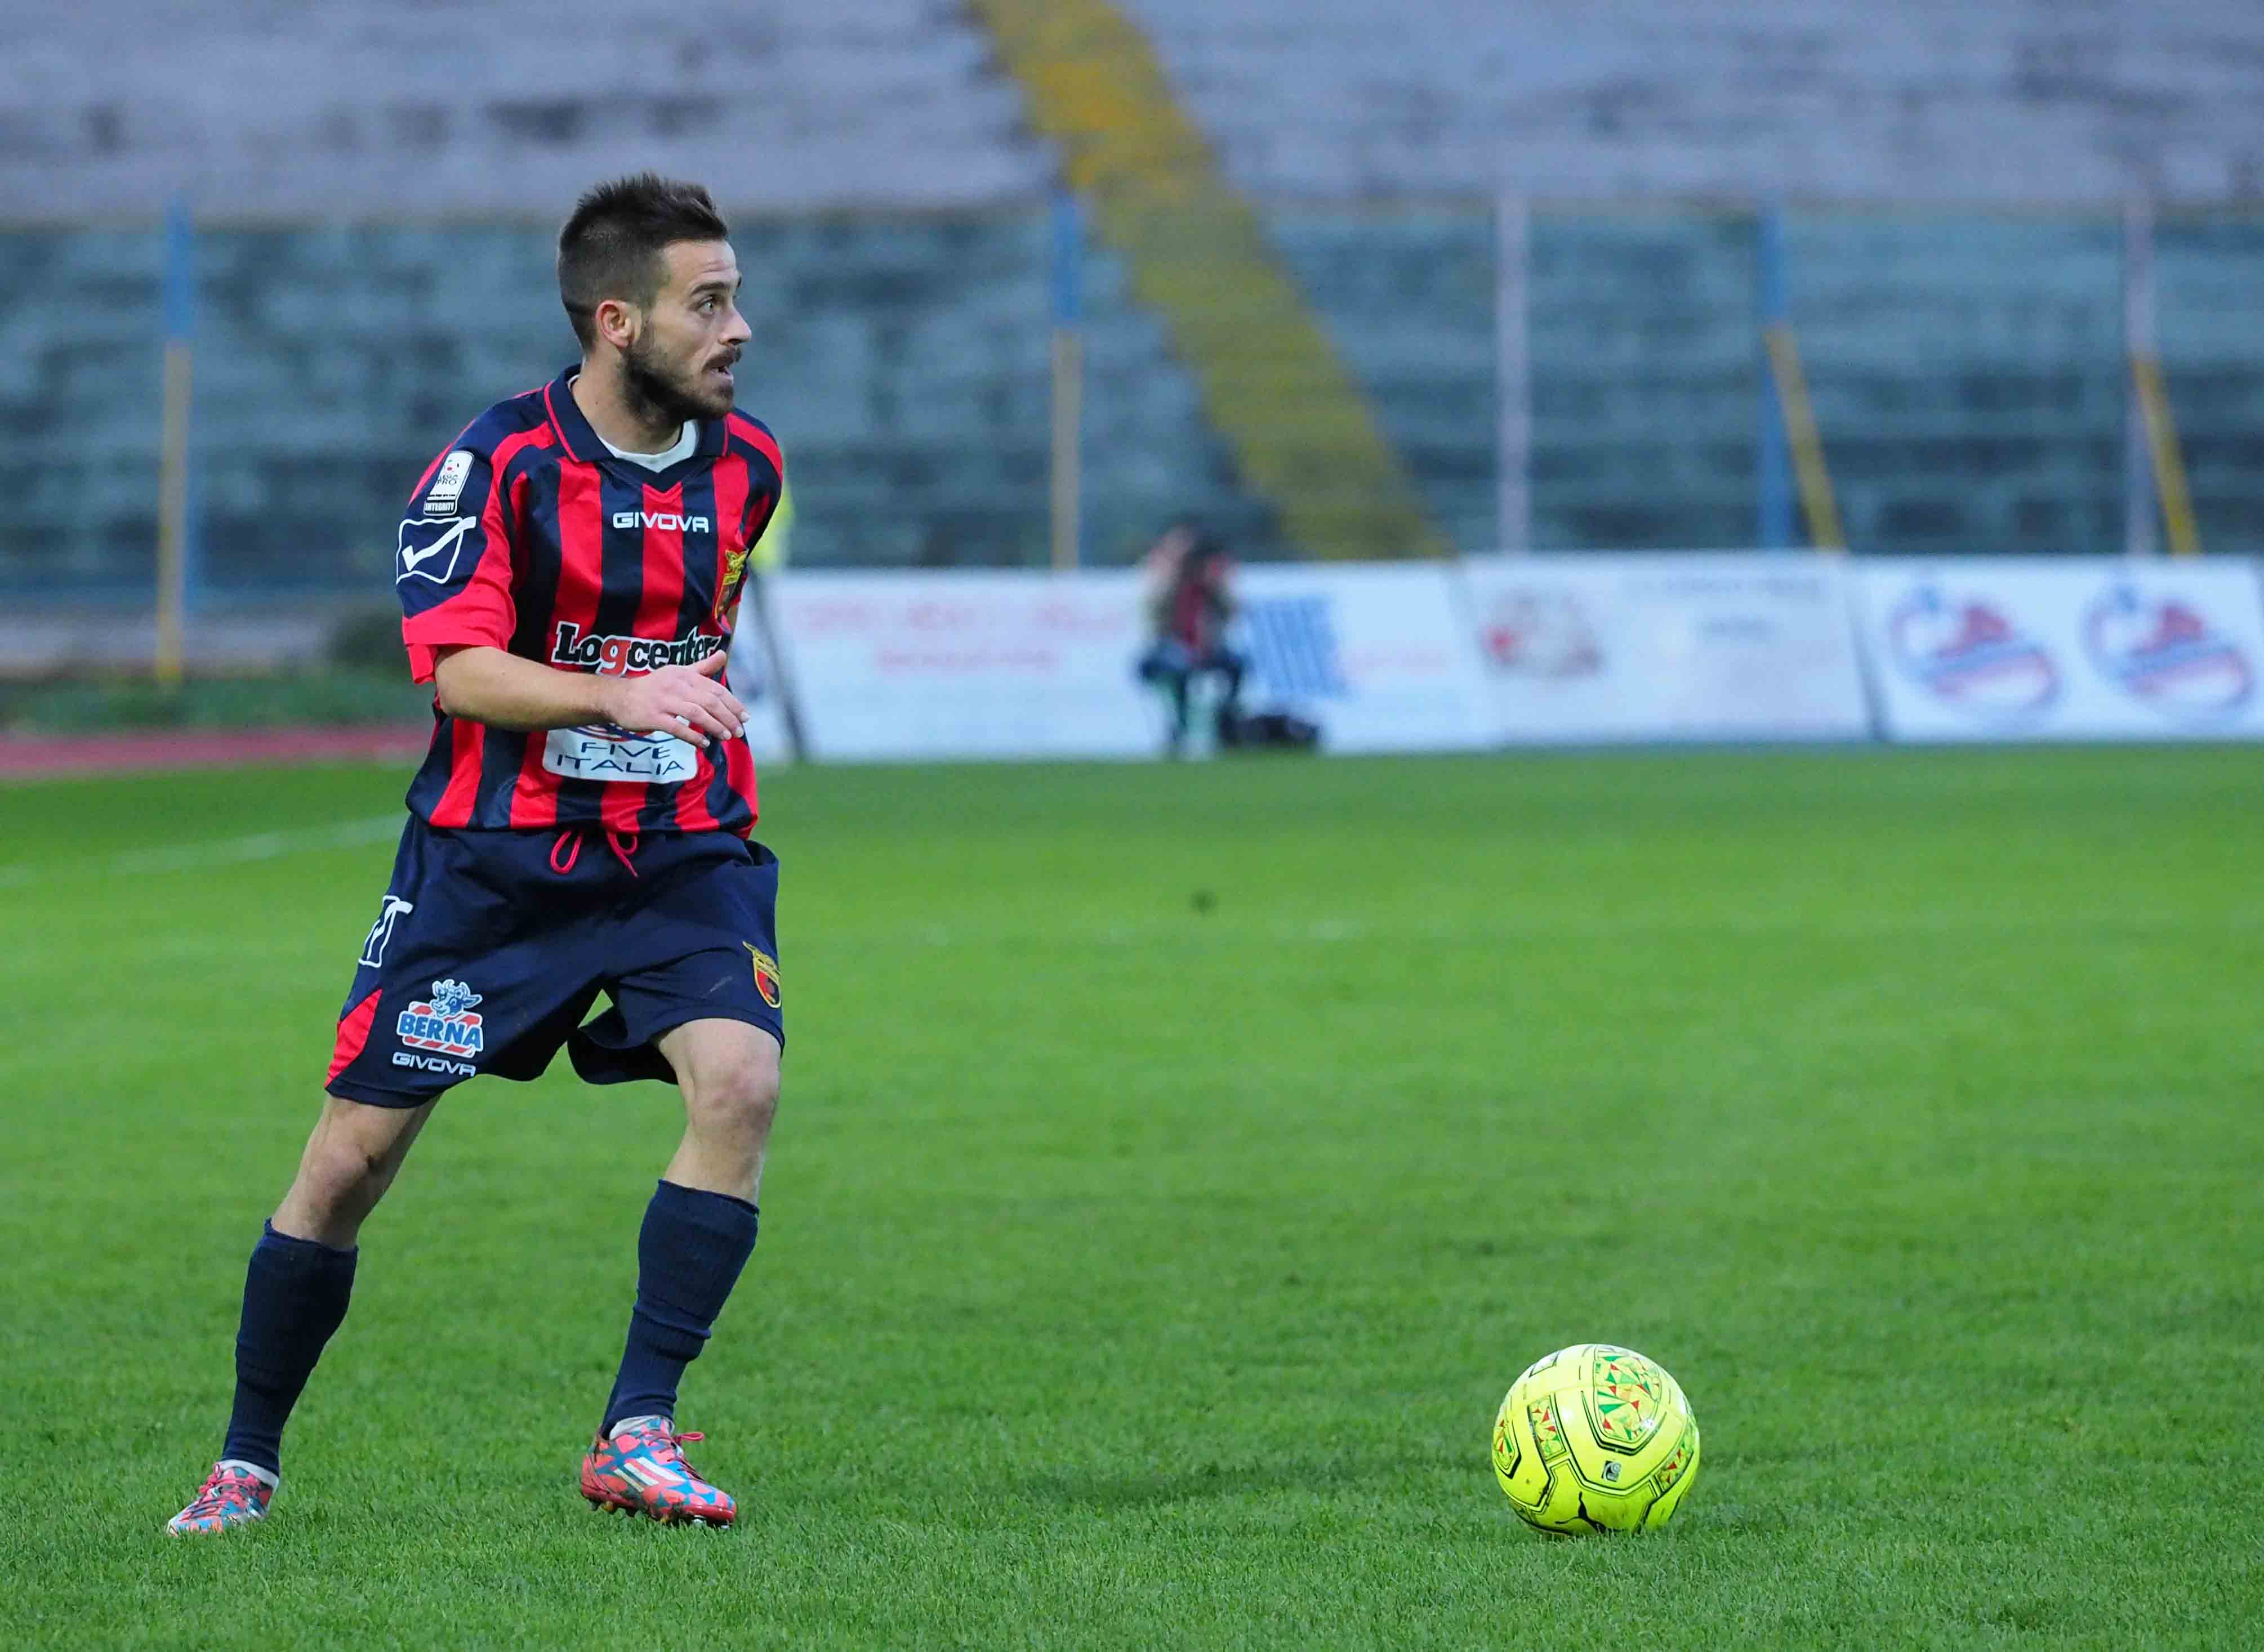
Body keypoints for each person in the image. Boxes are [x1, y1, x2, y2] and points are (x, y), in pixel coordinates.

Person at [167, 175, 787, 1534]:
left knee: (740, 1081)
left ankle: (637, 1429)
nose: (739, 328)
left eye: (736, 297)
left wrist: (668, 715)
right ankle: (246, 1460)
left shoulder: (749, 467)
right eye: (711, 302)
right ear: (618, 322)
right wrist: (622, 696)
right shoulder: (495, 466)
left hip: (681, 850)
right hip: (492, 870)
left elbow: (698, 635)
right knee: (349, 1166)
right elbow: (457, 674)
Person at [1135, 520, 1249, 755]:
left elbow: (1231, 614)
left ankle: (1227, 725)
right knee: (1179, 668)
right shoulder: (1164, 579)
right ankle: (1179, 729)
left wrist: (1219, 584)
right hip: (1169, 647)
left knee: (1237, 665)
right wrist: (1169, 575)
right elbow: (1152, 614)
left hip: (1206, 648)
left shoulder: (1209, 583)